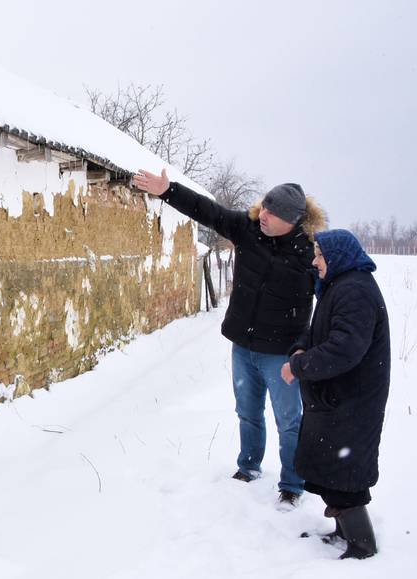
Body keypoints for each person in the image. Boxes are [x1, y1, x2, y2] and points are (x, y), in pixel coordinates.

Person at [133, 168, 325, 509]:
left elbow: (331, 300)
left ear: (293, 220)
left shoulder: (310, 254)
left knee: (289, 421)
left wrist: (310, 348)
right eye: (264, 207)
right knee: (248, 413)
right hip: (244, 347)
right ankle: (248, 467)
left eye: (272, 213)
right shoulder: (249, 230)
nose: (263, 215)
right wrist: (168, 190)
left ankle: (293, 484)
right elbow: (207, 210)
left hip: (282, 354)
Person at [281, 229, 390, 559]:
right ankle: (343, 532)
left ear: (338, 257)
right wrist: (300, 349)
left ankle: (362, 546)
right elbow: (317, 333)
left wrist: (298, 368)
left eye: (319, 255)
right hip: (336, 400)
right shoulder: (339, 286)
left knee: (347, 474)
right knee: (334, 470)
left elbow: (344, 350)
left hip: (352, 402)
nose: (315, 261)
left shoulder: (355, 291)